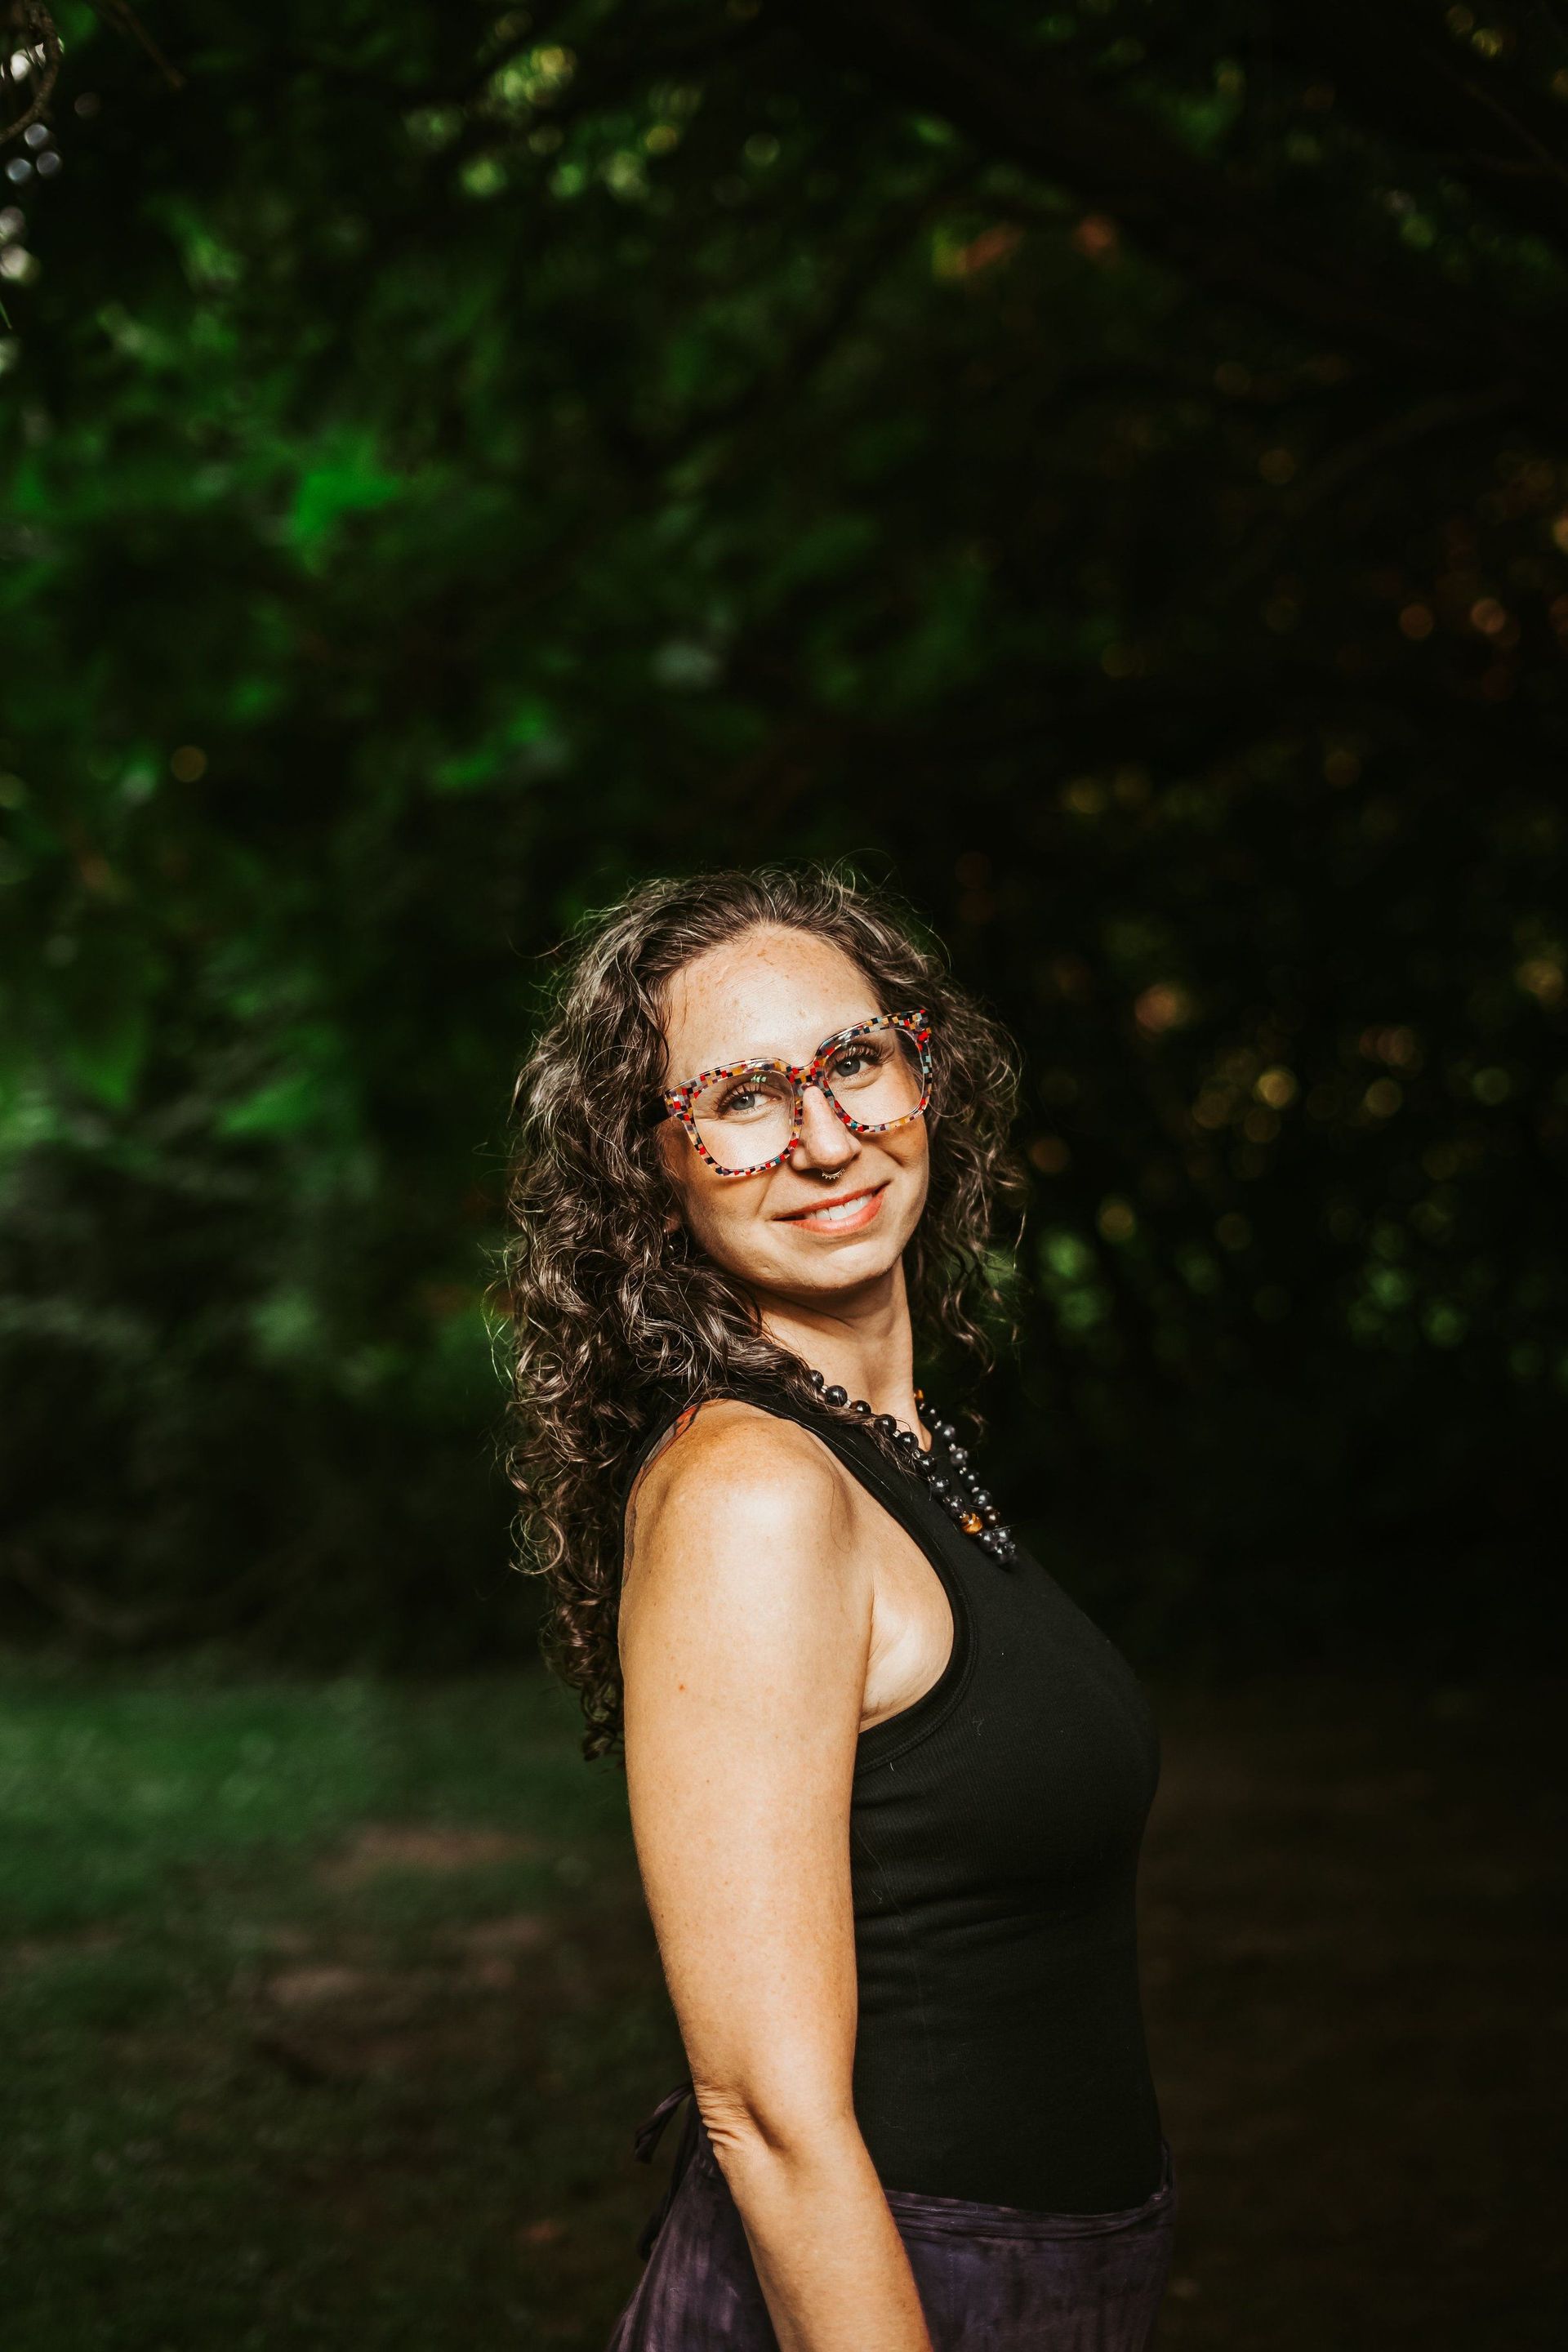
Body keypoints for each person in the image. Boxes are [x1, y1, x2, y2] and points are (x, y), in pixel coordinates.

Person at [503, 863, 1177, 2351]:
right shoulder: (756, 1495)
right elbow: (770, 2117)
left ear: (922, 1070)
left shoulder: (899, 1448)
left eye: (855, 1060)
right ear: (647, 1165)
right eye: (743, 1099)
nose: (825, 1139)